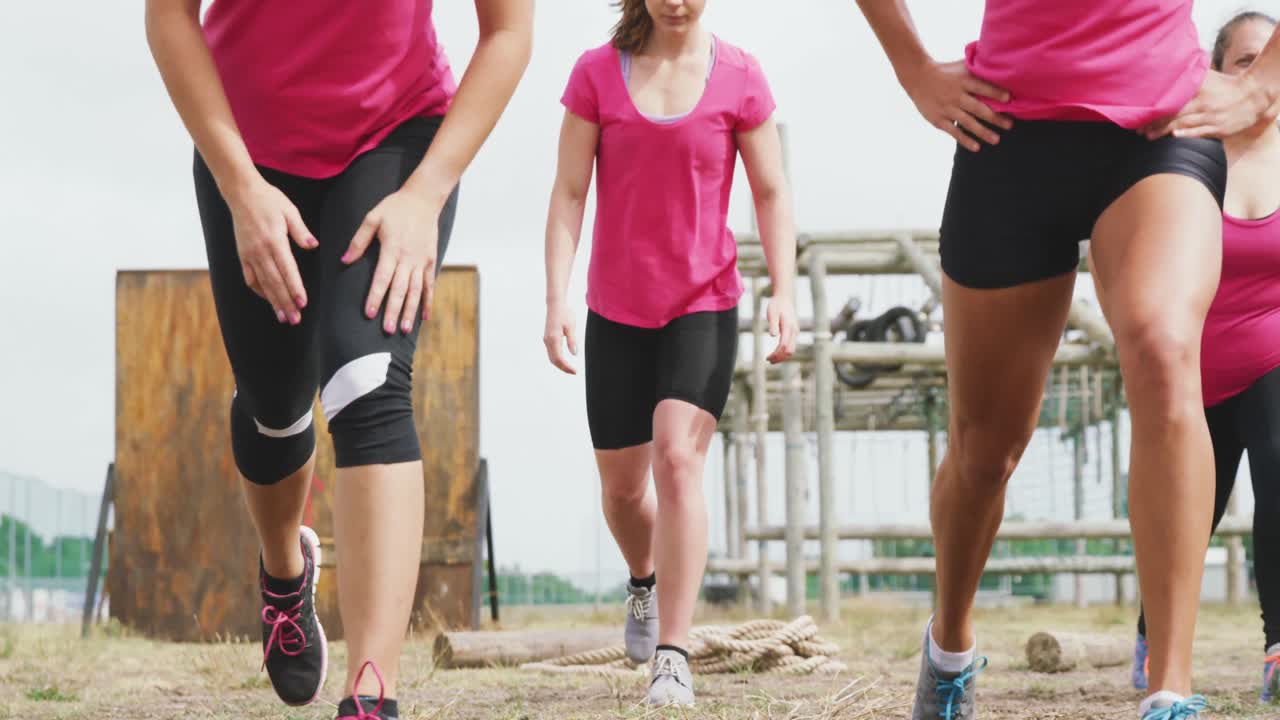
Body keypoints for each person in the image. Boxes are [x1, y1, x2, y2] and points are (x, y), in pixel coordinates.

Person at [851, 0, 1280, 718]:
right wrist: (913, 68)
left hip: (1160, 131)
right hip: (1009, 133)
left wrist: (1263, 82)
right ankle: (950, 645)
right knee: (986, 450)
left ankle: (1168, 689)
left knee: (1165, 347)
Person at [143, 1, 532, 718]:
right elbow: (168, 16)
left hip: (396, 138)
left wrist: (426, 192)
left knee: (365, 377)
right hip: (248, 151)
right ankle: (285, 572)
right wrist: (240, 187)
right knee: (274, 408)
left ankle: (371, 691)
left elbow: (509, 32)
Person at [542, 0, 798, 707]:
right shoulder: (596, 74)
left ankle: (674, 655)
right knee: (624, 492)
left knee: (678, 458)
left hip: (704, 304)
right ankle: (644, 583)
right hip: (616, 311)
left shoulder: (742, 76)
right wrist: (554, 297)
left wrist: (784, 292)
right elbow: (568, 193)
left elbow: (771, 192)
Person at [1118, 11, 1280, 704]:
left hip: (1272, 355)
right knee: (1184, 518)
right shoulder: (1184, 150)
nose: (1254, 74)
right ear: (1215, 71)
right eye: (1240, 61)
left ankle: (1277, 647)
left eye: (1265, 60)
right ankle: (1156, 633)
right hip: (1191, 374)